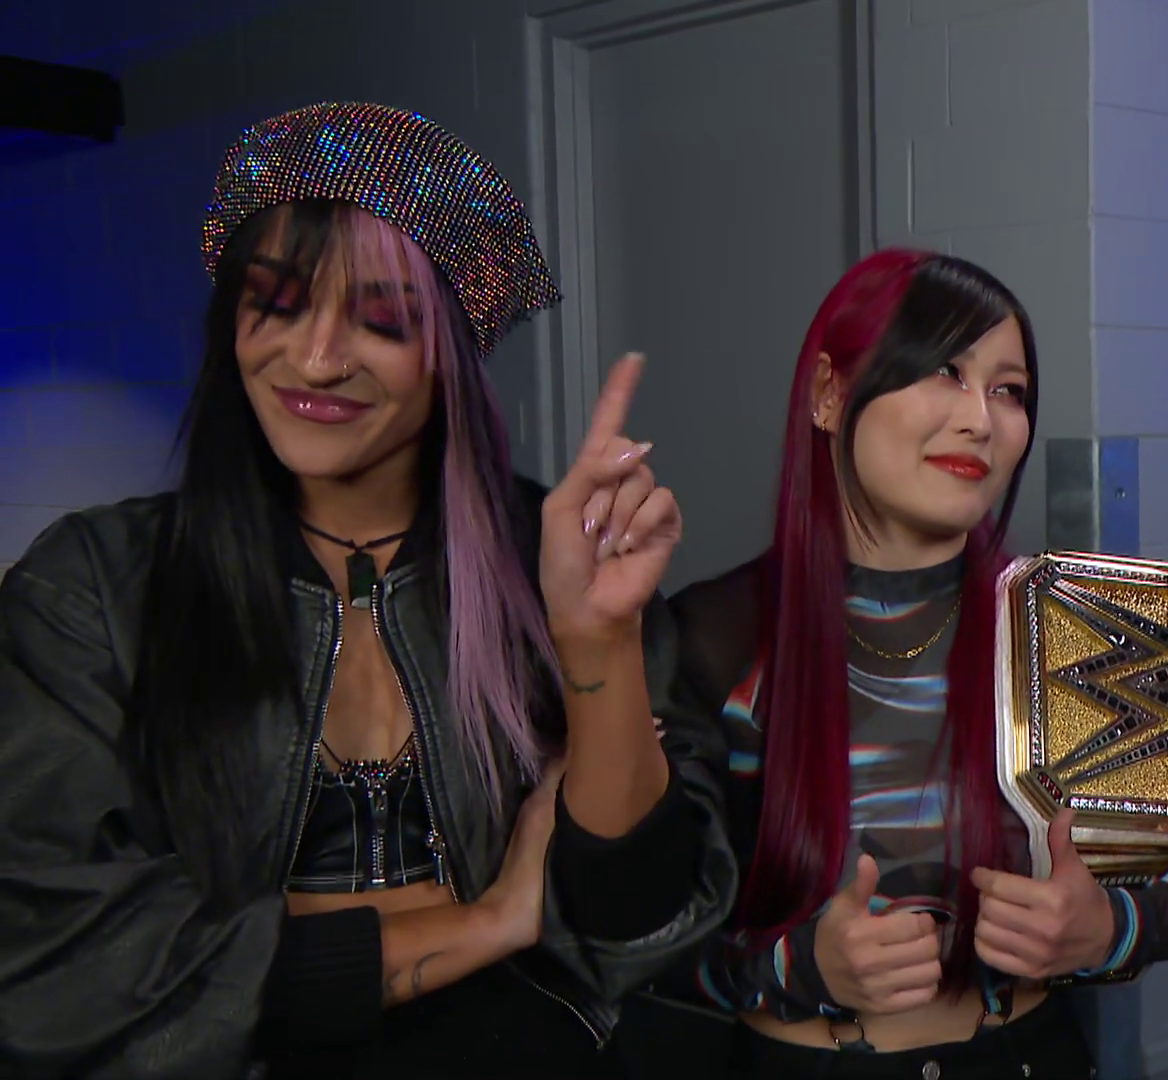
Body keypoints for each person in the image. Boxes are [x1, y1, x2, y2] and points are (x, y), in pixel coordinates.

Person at [0, 102, 735, 1079]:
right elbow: (54, 963)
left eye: (381, 318)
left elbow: (645, 916)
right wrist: (489, 920)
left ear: (451, 350)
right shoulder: (94, 588)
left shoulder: (560, 554)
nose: (316, 358)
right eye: (277, 302)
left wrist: (595, 639)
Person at [620, 248, 1168, 1079]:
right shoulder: (715, 637)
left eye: (1009, 390)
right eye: (943, 372)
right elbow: (626, 930)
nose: (980, 420)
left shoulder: (1072, 626)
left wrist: (1111, 929)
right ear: (829, 394)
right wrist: (800, 966)